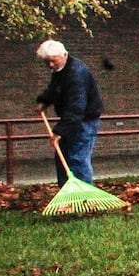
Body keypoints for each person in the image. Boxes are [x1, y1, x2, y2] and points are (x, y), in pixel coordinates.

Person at [34, 40, 105, 185]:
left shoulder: (76, 74)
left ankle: (85, 196)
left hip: (84, 121)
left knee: (78, 159)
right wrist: (44, 101)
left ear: (64, 55)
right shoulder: (60, 71)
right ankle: (67, 194)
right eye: (47, 62)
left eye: (53, 61)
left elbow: (76, 107)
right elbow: (55, 88)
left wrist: (59, 132)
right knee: (62, 158)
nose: (50, 65)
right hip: (71, 120)